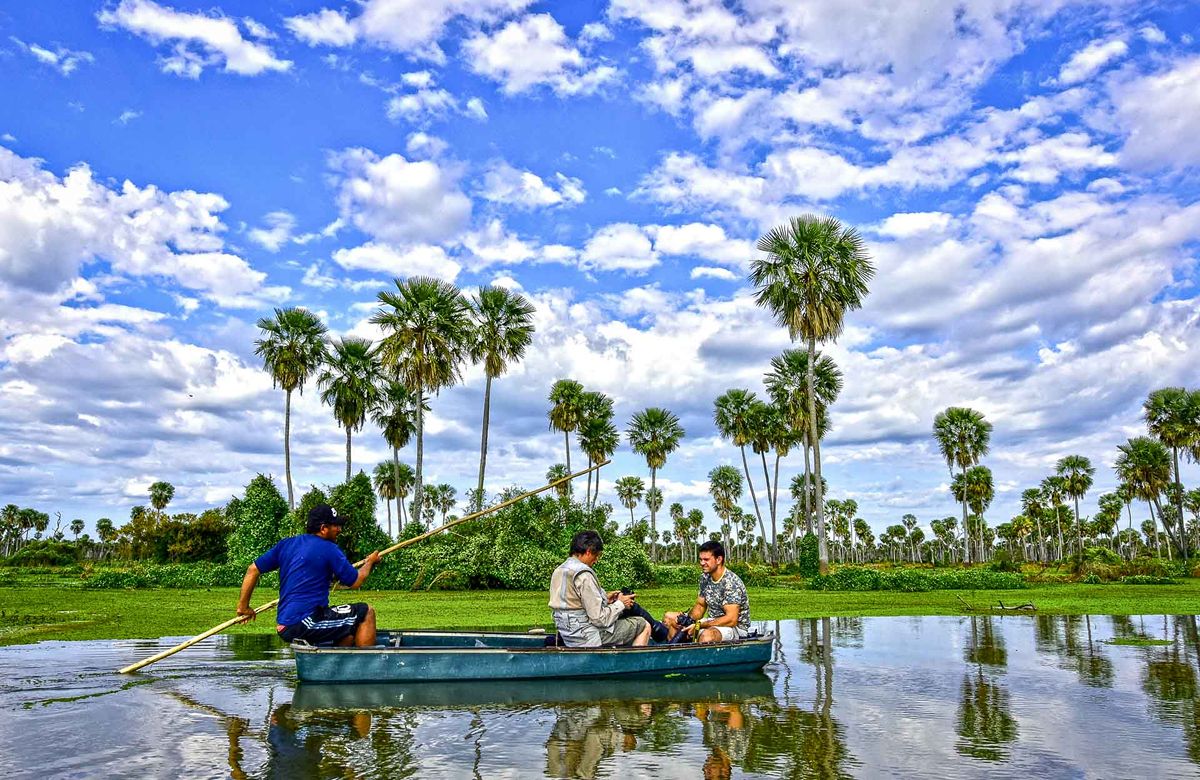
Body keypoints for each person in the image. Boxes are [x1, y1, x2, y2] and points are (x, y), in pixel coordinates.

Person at [236, 503, 381, 647]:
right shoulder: (329, 548)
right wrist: (370, 562)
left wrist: (243, 607)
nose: (339, 529)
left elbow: (252, 570)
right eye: (335, 525)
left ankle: (337, 667)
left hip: (284, 625)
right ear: (323, 528)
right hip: (306, 622)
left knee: (348, 633)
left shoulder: (286, 544)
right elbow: (355, 582)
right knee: (366, 611)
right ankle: (368, 667)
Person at [549, 530, 652, 647]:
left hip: (568, 635)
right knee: (643, 624)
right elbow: (600, 619)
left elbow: (574, 603)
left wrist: (604, 599)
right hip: (587, 637)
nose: (596, 560)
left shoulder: (559, 570)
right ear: (588, 552)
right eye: (596, 555)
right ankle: (632, 664)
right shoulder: (584, 575)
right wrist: (621, 604)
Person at [663, 540, 751, 643]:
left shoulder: (731, 582)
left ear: (718, 559)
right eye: (700, 559)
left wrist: (699, 625)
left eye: (706, 560)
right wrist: (687, 620)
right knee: (669, 618)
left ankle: (698, 654)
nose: (702, 563)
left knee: (707, 636)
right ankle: (676, 654)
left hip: (734, 628)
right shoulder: (705, 577)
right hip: (712, 622)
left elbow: (731, 619)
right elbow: (700, 606)